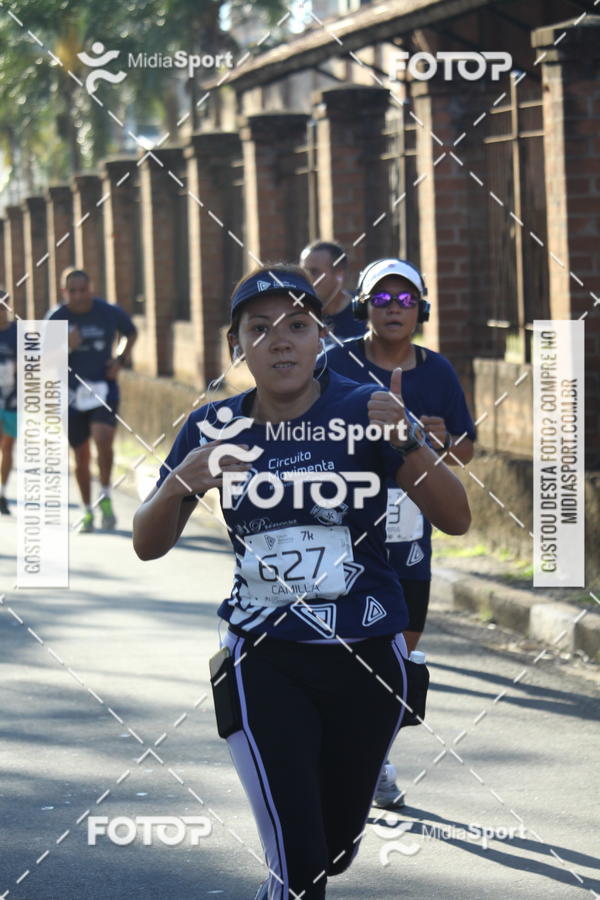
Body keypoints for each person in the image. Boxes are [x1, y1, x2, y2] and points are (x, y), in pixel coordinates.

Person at [133, 264, 470, 899]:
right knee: (300, 867)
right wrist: (184, 478)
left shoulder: (367, 411)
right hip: (265, 661)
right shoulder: (210, 429)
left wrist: (410, 445)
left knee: (333, 850)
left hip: (368, 662)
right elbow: (147, 544)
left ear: (321, 339)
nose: (279, 341)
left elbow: (456, 518)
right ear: (237, 347)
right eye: (259, 329)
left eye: (296, 326)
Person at [325, 257, 476, 810]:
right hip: (343, 529)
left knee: (399, 651)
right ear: (365, 304)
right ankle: (349, 751)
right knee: (342, 648)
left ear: (422, 309)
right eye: (382, 299)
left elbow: (466, 450)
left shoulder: (437, 372)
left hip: (409, 536)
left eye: (405, 299)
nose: (394, 309)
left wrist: (437, 440)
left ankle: (374, 753)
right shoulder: (333, 362)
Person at [49, 269, 137, 532]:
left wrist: (120, 360)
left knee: (103, 439)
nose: (77, 296)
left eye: (82, 290)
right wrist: (66, 347)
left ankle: (106, 494)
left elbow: (130, 333)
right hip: (71, 395)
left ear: (91, 289)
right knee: (81, 455)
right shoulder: (57, 318)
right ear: (65, 292)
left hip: (103, 389)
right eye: (71, 291)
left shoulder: (108, 312)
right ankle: (87, 510)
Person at [299, 240, 365, 341]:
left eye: (314, 272)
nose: (308, 279)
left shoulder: (364, 316)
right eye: (304, 272)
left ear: (339, 275)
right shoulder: (297, 316)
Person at [0, 290, 17, 515]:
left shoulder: (17, 333)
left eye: (4, 306)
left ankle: (2, 492)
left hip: (14, 399)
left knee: (8, 446)